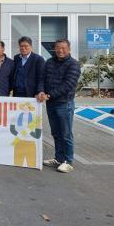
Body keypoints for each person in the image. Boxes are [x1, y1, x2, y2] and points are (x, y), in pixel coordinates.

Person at [38, 39, 81, 173]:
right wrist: (41, 91)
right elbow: (42, 78)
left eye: (63, 48)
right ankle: (58, 158)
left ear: (69, 49)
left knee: (66, 134)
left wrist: (49, 95)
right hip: (51, 103)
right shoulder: (49, 62)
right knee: (56, 132)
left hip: (64, 103)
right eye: (58, 48)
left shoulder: (74, 64)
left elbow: (68, 85)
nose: (60, 50)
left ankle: (68, 161)